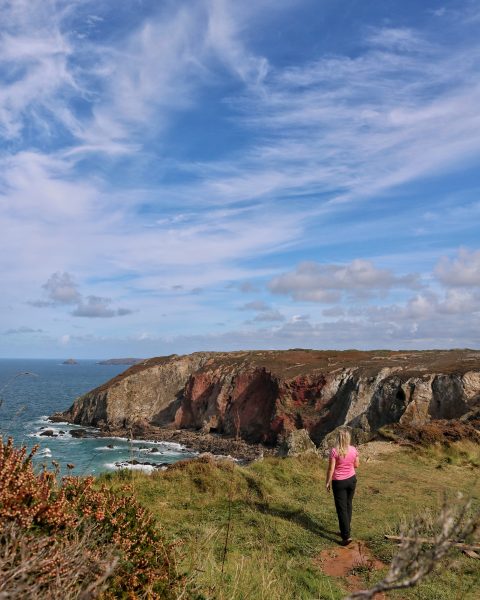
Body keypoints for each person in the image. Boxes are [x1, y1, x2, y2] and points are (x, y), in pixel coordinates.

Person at [325, 427, 359, 546]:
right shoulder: (354, 449)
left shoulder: (334, 451)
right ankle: (346, 530)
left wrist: (328, 482)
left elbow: (331, 469)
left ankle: (346, 536)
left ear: (338, 439)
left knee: (341, 509)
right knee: (348, 504)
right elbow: (357, 465)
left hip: (339, 482)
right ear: (348, 438)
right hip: (352, 480)